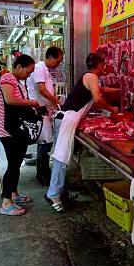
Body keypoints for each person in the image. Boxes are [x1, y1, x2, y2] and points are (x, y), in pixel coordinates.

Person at [45, 53, 120, 212]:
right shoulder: (91, 77)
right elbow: (98, 98)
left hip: (67, 119)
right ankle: (53, 194)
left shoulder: (89, 77)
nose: (105, 67)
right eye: (103, 64)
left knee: (64, 157)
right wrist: (111, 109)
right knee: (62, 158)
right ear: (99, 65)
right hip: (66, 120)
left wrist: (121, 89)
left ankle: (61, 191)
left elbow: (101, 90)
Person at [0, 55, 38, 216]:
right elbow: (10, 100)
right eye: (28, 71)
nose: (29, 75)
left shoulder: (18, 82)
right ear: (18, 67)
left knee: (16, 163)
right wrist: (32, 103)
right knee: (13, 165)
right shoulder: (7, 78)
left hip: (16, 129)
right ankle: (6, 203)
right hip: (8, 131)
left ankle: (13, 193)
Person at [26, 46, 63, 185]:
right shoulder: (40, 68)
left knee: (45, 142)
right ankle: (43, 174)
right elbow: (42, 90)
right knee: (45, 143)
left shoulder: (44, 69)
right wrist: (56, 102)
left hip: (45, 110)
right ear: (50, 57)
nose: (58, 64)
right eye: (58, 61)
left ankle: (43, 172)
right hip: (41, 110)